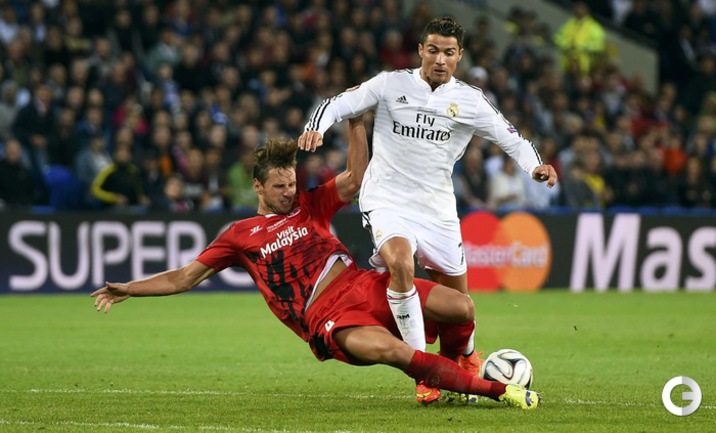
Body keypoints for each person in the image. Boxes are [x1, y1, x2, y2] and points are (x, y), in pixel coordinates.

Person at [91, 117, 541, 410]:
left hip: (366, 285)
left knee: (462, 307)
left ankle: (455, 367)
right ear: (258, 187)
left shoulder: (310, 205)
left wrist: (357, 124)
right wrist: (130, 287)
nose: (289, 192)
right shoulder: (239, 235)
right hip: (328, 319)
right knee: (394, 352)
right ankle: (495, 391)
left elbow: (356, 178)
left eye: (291, 183)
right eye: (279, 187)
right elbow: (184, 278)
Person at [298, 16, 557, 403]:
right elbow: (340, 103)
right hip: (386, 199)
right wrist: (316, 127)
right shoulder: (391, 84)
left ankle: (462, 358)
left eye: (448, 52)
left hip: (436, 209)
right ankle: (422, 371)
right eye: (433, 50)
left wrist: (535, 166)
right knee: (401, 263)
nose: (440, 59)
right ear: (420, 50)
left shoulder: (470, 100)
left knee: (461, 309)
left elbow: (512, 138)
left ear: (459, 56)